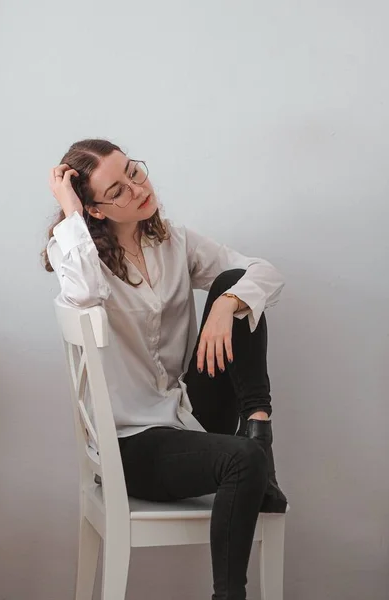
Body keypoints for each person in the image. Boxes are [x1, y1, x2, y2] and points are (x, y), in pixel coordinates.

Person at [43, 138, 287, 600]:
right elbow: (86, 294)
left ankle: (259, 429)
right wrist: (69, 211)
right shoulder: (76, 255)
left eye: (132, 172)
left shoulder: (173, 242)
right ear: (94, 210)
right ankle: (229, 594)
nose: (136, 189)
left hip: (187, 416)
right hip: (133, 446)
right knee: (243, 461)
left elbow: (266, 273)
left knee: (237, 285)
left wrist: (224, 306)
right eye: (115, 191)